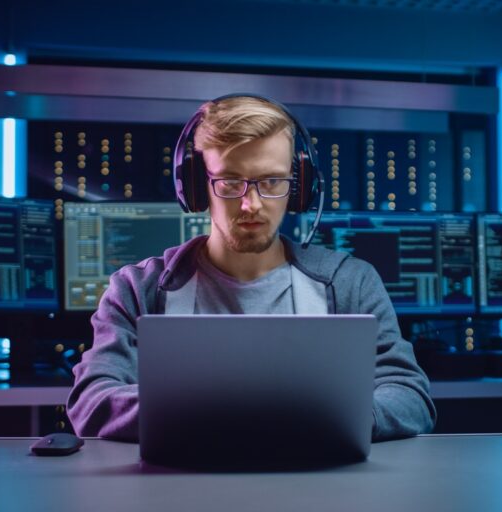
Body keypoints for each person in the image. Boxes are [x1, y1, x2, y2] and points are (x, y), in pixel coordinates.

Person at [67, 95, 437, 441]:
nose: (251, 204)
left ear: (299, 186)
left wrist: (344, 417)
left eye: (272, 181)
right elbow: (91, 399)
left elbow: (408, 394)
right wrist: (219, 413)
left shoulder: (350, 283)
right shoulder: (137, 289)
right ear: (196, 186)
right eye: (230, 182)